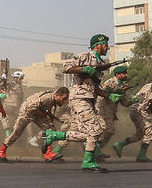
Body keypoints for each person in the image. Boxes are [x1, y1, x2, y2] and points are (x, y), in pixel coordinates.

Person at [41, 34, 116, 173]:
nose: (108, 47)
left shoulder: (99, 63)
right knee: (95, 130)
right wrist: (84, 69)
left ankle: (53, 135)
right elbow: (65, 68)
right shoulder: (84, 57)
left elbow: (95, 88)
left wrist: (109, 95)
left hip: (88, 99)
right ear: (97, 45)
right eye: (106, 45)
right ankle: (88, 162)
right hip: (79, 98)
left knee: (87, 133)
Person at [0, 87, 69, 162]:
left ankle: (48, 153)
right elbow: (31, 107)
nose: (65, 101)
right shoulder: (47, 98)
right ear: (57, 96)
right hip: (26, 112)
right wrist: (42, 114)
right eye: (64, 98)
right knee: (17, 133)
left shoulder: (53, 101)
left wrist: (48, 117)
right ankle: (1, 151)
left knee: (50, 130)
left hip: (36, 113)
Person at [113, 72, 152, 162]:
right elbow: (151, 99)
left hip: (134, 109)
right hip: (141, 111)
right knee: (150, 132)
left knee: (140, 134)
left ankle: (120, 144)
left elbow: (138, 96)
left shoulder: (147, 85)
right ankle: (141, 155)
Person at [94, 65, 134, 159]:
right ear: (117, 74)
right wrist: (118, 91)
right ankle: (95, 149)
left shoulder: (122, 86)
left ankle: (96, 150)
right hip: (103, 109)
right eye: (124, 73)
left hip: (111, 112)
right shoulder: (110, 82)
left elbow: (124, 102)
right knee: (108, 130)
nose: (126, 75)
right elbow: (105, 93)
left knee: (108, 131)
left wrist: (132, 100)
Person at [1, 70, 25, 136]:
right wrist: (3, 78)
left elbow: (21, 99)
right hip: (8, 106)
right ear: (15, 78)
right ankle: (8, 135)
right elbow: (2, 85)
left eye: (22, 78)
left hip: (17, 107)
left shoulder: (20, 87)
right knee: (5, 119)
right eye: (20, 78)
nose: (21, 80)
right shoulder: (10, 84)